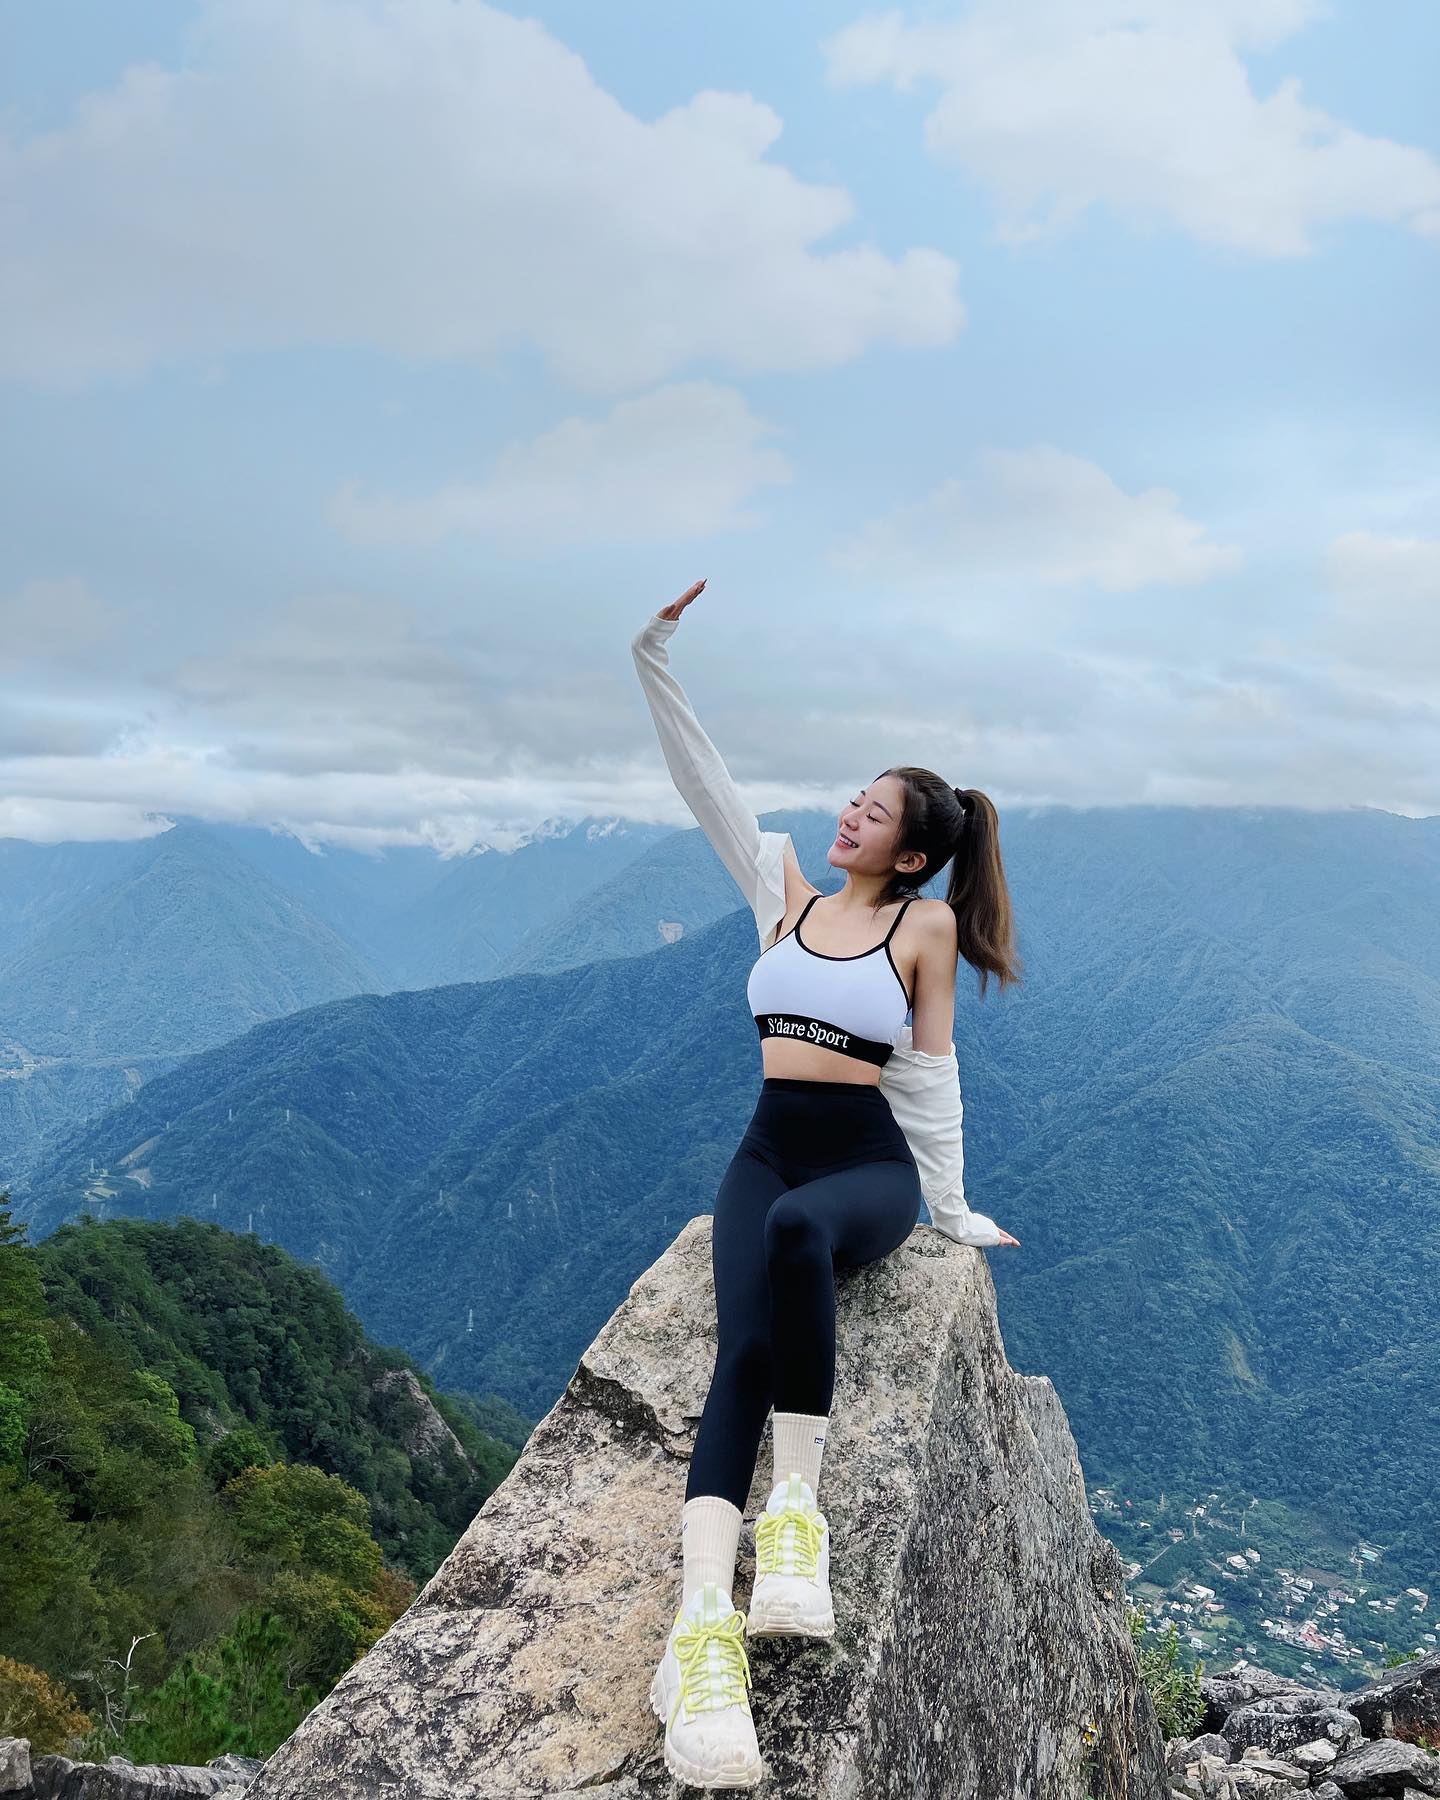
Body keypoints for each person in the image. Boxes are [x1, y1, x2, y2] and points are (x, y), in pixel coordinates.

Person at [633, 578, 1022, 1788]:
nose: (847, 816)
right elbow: (707, 787)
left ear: (913, 852)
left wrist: (952, 1212)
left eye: (873, 811)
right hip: (763, 1148)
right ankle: (704, 1629)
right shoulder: (784, 895)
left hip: (864, 1168)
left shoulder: (924, 931)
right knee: (739, 1351)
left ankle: (792, 1521)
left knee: (801, 1235)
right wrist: (651, 658)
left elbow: (933, 1080)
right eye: (850, 799)